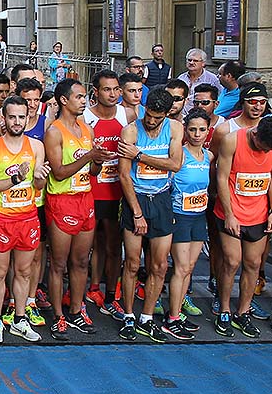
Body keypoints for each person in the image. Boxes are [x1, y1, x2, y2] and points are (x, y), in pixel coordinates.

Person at [213, 115, 272, 337]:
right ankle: (224, 309)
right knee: (231, 261)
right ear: (255, 134)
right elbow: (221, 178)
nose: (264, 152)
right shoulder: (232, 140)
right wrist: (229, 214)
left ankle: (243, 311)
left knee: (253, 263)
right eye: (262, 147)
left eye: (269, 150)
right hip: (231, 210)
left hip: (259, 213)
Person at [117, 89, 183, 342]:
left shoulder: (175, 129)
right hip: (138, 197)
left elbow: (175, 164)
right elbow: (124, 175)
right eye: (149, 115)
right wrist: (136, 213)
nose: (151, 121)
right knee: (133, 263)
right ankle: (129, 316)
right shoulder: (131, 131)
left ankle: (147, 317)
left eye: (157, 117)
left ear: (166, 114)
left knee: (159, 265)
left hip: (162, 199)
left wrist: (141, 156)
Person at [0, 96, 48, 343]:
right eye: (12, 117)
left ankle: (20, 319)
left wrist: (40, 177)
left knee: (24, 271)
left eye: (21, 117)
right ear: (4, 118)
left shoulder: (36, 147)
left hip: (28, 217)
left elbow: (39, 185)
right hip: (1, 218)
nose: (17, 121)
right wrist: (15, 180)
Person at [42, 79, 104, 339]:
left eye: (84, 96)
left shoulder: (86, 130)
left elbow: (92, 172)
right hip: (62, 200)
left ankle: (77, 310)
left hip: (85, 199)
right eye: (79, 96)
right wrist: (89, 157)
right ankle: (58, 316)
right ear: (64, 100)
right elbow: (57, 173)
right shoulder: (54, 132)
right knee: (58, 263)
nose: (83, 100)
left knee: (81, 261)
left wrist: (98, 161)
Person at [83, 70, 128, 319]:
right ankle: (89, 290)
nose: (112, 94)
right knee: (88, 247)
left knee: (112, 246)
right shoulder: (85, 117)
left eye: (115, 90)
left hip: (116, 191)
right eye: (107, 90)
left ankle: (111, 296)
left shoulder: (126, 114)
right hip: (89, 191)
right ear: (96, 92)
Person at [166, 110, 212, 341]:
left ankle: (178, 312)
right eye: (192, 129)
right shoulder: (180, 155)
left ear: (208, 130)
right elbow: (167, 184)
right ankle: (172, 317)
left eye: (202, 129)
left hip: (198, 216)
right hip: (180, 216)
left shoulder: (208, 156)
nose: (197, 134)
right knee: (181, 267)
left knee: (190, 267)